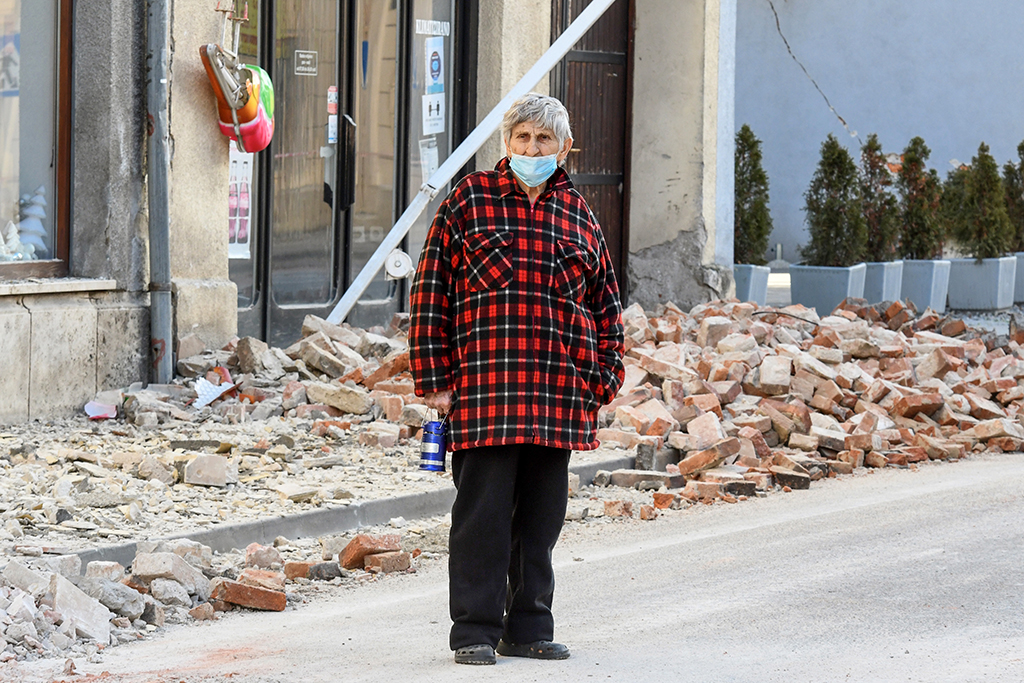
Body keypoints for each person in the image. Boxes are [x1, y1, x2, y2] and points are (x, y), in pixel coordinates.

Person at [409, 93, 625, 666]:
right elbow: (431, 292)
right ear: (507, 143)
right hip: (486, 392)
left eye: (545, 140)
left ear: (565, 147)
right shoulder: (468, 200)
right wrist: (434, 377)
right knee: (481, 517)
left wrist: (601, 379)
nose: (533, 149)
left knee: (541, 518)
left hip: (559, 394)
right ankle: (475, 630)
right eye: (523, 139)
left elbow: (606, 305)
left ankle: (529, 626)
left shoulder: (579, 212)